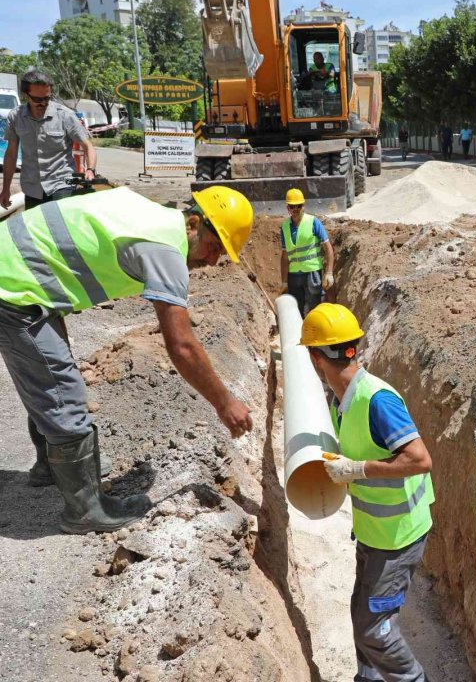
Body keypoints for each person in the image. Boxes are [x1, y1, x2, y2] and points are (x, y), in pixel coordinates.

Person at [0, 185, 255, 534]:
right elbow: (181, 346)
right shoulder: (166, 249)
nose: (213, 261)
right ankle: (86, 510)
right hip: (12, 287)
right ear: (193, 223)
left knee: (48, 373)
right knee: (63, 391)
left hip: (16, 270)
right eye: (214, 248)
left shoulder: (152, 215)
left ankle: (49, 467)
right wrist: (224, 403)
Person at [301, 304, 434, 682]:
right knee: (362, 613)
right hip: (376, 533)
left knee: (376, 628)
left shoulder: (377, 401)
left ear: (314, 357)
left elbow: (419, 460)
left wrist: (357, 470)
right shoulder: (341, 399)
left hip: (399, 537)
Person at [1, 70, 98, 211]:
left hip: (62, 185)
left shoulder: (65, 116)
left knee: (61, 228)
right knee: (36, 230)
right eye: (37, 100)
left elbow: (87, 146)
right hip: (32, 189)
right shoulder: (15, 117)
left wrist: (90, 170)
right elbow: (11, 154)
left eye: (47, 98)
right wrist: (5, 188)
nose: (43, 103)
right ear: (25, 95)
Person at [280, 188, 334, 317]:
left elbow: (328, 247)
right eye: (292, 206)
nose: (295, 209)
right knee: (297, 310)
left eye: (298, 206)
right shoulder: (285, 227)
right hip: (294, 275)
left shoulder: (313, 222)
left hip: (312, 272)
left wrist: (329, 272)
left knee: (315, 307)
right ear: (288, 208)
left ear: (303, 206)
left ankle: (317, 333)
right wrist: (284, 281)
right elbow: (284, 255)